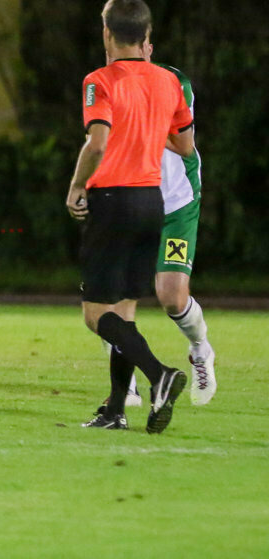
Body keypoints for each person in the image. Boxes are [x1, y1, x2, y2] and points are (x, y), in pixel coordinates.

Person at [65, 0, 195, 434]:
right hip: (150, 203)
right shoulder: (168, 82)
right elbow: (185, 145)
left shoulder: (98, 80)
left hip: (114, 201)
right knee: (124, 311)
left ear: (106, 32)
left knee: (95, 314)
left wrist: (77, 185)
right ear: (146, 36)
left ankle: (160, 376)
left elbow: (96, 142)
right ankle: (115, 409)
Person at [98, 45, 216, 410]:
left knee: (171, 297)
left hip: (175, 203)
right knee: (112, 297)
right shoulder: (103, 85)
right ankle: (127, 383)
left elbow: (184, 144)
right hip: (130, 199)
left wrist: (138, 128)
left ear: (147, 47)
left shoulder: (173, 81)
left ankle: (200, 350)